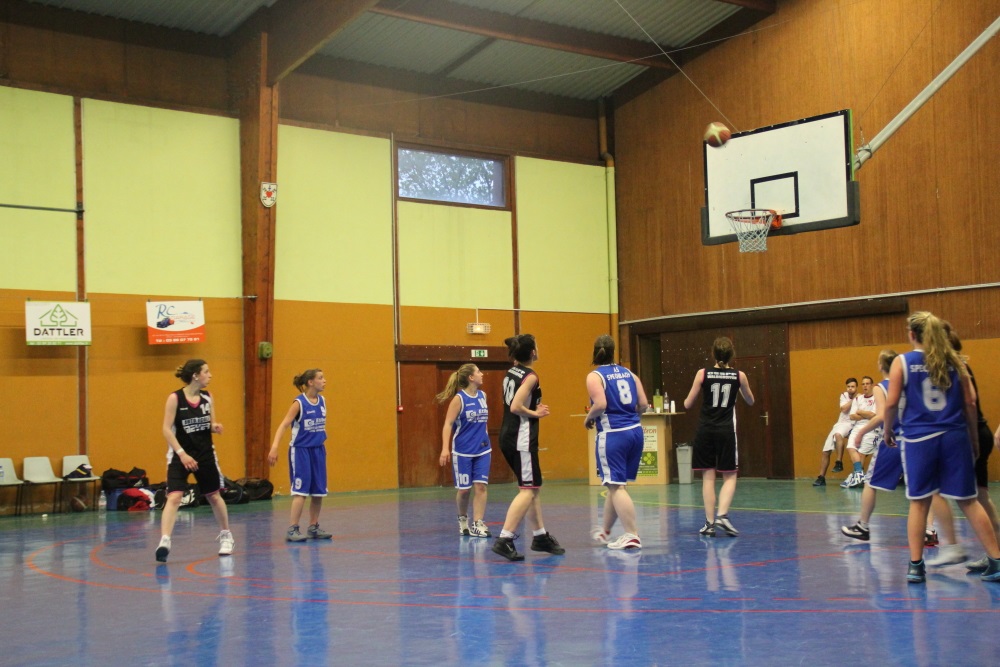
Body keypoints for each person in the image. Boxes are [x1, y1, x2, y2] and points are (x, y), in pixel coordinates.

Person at [883, 311, 1000, 583]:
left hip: (919, 439)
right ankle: (996, 560)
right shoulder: (955, 361)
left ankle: (915, 566)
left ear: (912, 334)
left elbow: (891, 403)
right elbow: (970, 403)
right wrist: (973, 438)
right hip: (954, 436)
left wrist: (888, 430)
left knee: (919, 503)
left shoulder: (902, 361)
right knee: (969, 501)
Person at [925, 326, 1000, 569]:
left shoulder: (953, 367)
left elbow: (969, 403)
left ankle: (954, 547)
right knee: (981, 498)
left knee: (940, 488)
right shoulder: (957, 364)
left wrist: (971, 440)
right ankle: (995, 553)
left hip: (969, 434)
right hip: (979, 431)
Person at [492, 334, 564, 561]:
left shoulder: (512, 371)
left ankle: (540, 536)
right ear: (533, 352)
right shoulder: (530, 376)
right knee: (528, 490)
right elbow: (516, 406)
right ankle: (505, 538)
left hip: (509, 435)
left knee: (532, 487)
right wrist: (536, 413)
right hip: (520, 438)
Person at [155, 359, 234, 562]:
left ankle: (226, 535)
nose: (210, 375)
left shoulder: (208, 397)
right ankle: (165, 540)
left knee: (214, 496)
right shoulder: (175, 398)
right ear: (195, 376)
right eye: (206, 372)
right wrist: (182, 453)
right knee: (174, 497)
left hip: (205, 454)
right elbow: (166, 429)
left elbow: (209, 423)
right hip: (180, 454)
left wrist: (214, 427)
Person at [682, 337, 754, 537]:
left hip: (705, 430)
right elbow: (750, 401)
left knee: (708, 476)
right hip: (725, 431)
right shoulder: (739, 376)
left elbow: (687, 404)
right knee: (730, 475)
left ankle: (710, 523)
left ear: (713, 354)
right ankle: (722, 514)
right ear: (732, 355)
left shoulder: (702, 374)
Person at [585, 335, 648, 550]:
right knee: (616, 484)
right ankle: (606, 530)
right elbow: (643, 404)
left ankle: (632, 534)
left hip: (613, 434)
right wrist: (631, 417)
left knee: (616, 487)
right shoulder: (630, 373)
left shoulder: (595, 376)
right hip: (636, 432)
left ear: (595, 352)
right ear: (614, 352)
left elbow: (600, 404)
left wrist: (588, 418)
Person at [268, 369, 333, 542]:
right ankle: (293, 528)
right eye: (320, 378)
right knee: (301, 491)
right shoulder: (299, 403)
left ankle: (313, 526)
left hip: (318, 450)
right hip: (301, 451)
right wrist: (274, 447)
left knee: (318, 491)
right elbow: (284, 425)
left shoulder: (323, 401)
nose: (324, 381)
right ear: (311, 382)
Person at [436, 363, 492, 539]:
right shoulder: (459, 399)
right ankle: (462, 519)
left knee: (481, 486)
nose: (482, 374)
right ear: (471, 377)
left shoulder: (483, 395)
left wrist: (484, 436)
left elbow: (483, 421)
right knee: (464, 490)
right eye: (478, 371)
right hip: (463, 451)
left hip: (483, 449)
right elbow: (448, 424)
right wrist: (445, 449)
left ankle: (478, 523)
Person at [813, 378, 858, 485]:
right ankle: (821, 477)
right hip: (839, 424)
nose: (850, 389)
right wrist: (853, 400)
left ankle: (839, 462)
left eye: (852, 386)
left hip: (851, 424)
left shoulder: (860, 398)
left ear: (856, 387)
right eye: (848, 387)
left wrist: (857, 399)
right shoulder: (844, 395)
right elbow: (844, 409)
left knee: (838, 435)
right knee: (826, 451)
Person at [840, 377, 877, 489]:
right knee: (850, 447)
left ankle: (855, 476)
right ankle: (859, 475)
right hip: (857, 427)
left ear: (872, 385)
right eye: (863, 384)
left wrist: (860, 412)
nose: (865, 386)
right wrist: (865, 414)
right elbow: (852, 416)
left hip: (871, 427)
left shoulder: (876, 398)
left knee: (861, 453)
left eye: (867, 384)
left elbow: (873, 415)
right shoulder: (858, 399)